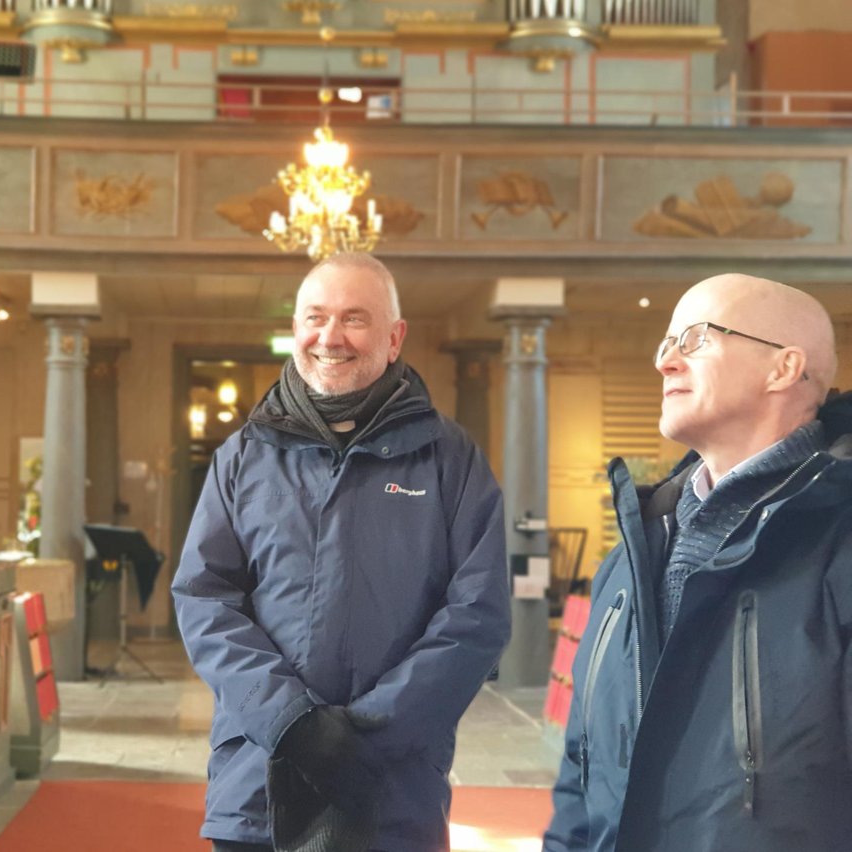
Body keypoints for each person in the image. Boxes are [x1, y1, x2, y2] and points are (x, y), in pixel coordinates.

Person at [173, 254, 511, 852]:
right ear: (296, 328)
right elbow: (206, 599)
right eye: (315, 317)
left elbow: (477, 616)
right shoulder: (242, 457)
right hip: (259, 781)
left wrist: (369, 735)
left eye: (354, 319)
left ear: (394, 336)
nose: (330, 337)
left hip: (392, 786)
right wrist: (292, 723)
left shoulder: (451, 460)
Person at [545, 273, 852, 852]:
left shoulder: (839, 545)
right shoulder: (631, 556)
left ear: (783, 368)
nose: (665, 362)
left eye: (694, 339)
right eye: (666, 344)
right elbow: (579, 777)